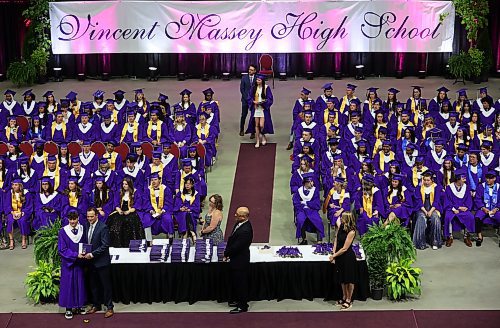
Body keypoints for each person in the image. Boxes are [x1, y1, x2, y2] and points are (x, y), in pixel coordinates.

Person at [82, 208, 114, 318]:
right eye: (88, 216)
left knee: (106, 286)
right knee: (94, 285)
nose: (89, 219)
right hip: (90, 263)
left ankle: (109, 307)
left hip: (101, 262)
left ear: (96, 216)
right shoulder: (85, 226)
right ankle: (96, 305)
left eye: (91, 216)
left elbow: (105, 245)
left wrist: (92, 254)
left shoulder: (103, 227)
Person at [223, 206, 253, 314]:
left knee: (241, 284)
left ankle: (242, 305)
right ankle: (238, 300)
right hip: (235, 258)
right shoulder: (239, 224)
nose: (235, 215)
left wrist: (226, 253)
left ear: (244, 217)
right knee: (236, 282)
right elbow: (232, 239)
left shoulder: (246, 230)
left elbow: (237, 246)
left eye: (238, 215)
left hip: (240, 260)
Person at [58, 211, 87, 320]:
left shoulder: (82, 229)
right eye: (70, 219)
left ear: (78, 218)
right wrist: (75, 255)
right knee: (68, 285)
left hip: (80, 262)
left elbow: (85, 243)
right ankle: (69, 308)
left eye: (74, 219)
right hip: (68, 263)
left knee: (80, 283)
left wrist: (84, 253)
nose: (73, 222)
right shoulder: (63, 231)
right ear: (68, 219)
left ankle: (80, 305)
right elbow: (62, 249)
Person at [329, 211, 357, 310]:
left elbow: (345, 248)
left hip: (347, 257)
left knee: (348, 279)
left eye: (343, 217)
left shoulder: (352, 231)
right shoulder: (341, 226)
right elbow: (336, 239)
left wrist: (334, 256)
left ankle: (349, 299)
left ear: (347, 219)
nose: (341, 218)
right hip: (339, 255)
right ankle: (344, 296)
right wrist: (333, 253)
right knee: (342, 279)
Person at [413, 170, 443, 250]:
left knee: (435, 218)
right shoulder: (419, 188)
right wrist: (425, 211)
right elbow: (418, 201)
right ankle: (420, 242)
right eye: (424, 180)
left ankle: (435, 241)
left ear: (432, 180)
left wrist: (430, 211)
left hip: (433, 209)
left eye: (428, 180)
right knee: (421, 218)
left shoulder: (437, 187)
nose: (426, 182)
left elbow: (437, 201)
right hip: (422, 209)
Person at [245, 73, 274, 148]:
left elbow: (270, 98)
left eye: (259, 80)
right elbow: (249, 97)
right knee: (256, 125)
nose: (257, 81)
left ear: (262, 81)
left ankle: (263, 135)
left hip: (263, 108)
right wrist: (253, 102)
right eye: (257, 80)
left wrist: (264, 102)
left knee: (261, 125)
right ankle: (258, 140)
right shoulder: (254, 88)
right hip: (256, 109)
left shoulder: (266, 88)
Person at [5, 177, 33, 250]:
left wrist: (22, 212)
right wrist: (12, 212)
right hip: (12, 212)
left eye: (16, 185)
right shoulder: (9, 193)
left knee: (22, 220)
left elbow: (29, 206)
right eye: (13, 185)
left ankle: (24, 239)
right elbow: (7, 205)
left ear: (20, 186)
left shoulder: (26, 193)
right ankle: (11, 240)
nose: (14, 186)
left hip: (23, 212)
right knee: (10, 220)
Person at [239, 64, 256, 138]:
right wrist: (247, 98)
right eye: (249, 69)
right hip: (245, 100)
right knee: (243, 115)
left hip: (254, 100)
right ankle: (241, 129)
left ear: (255, 71)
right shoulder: (244, 78)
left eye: (252, 70)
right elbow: (242, 89)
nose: (250, 71)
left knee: (253, 116)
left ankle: (253, 132)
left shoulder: (257, 78)